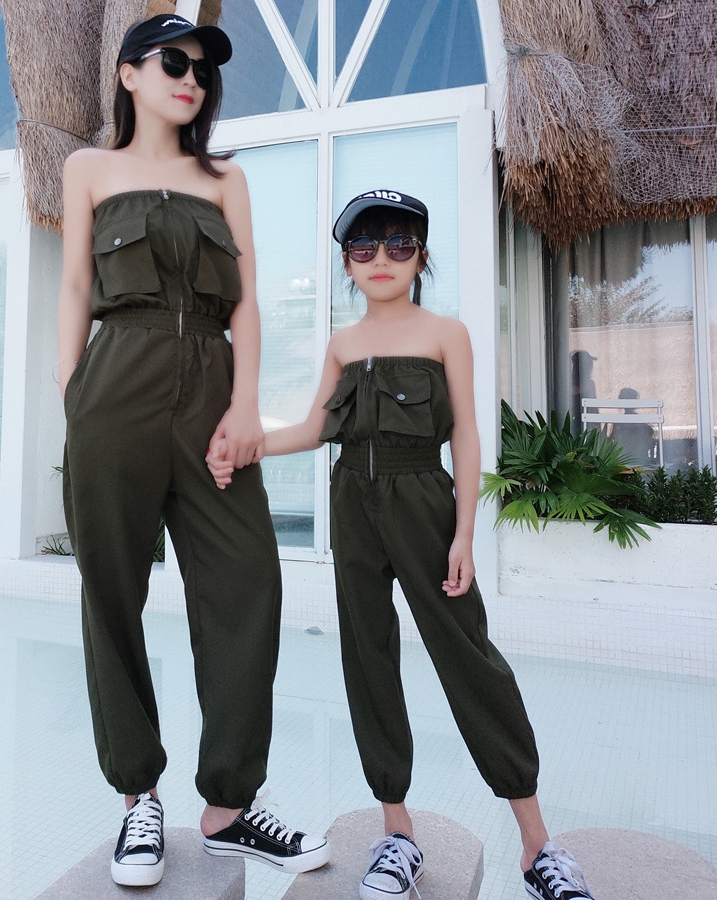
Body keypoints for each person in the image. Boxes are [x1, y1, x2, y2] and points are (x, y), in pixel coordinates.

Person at [207, 190, 596, 900]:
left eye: (397, 245)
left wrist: (466, 533)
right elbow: (315, 428)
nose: (380, 260)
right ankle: (397, 832)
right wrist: (246, 443)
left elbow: (469, 435)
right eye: (363, 249)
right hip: (352, 503)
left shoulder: (447, 334)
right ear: (347, 264)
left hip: (424, 501)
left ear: (421, 256)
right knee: (369, 661)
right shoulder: (341, 344)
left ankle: (537, 846)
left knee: (471, 659)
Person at [57, 14, 330, 888]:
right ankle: (140, 800)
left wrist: (247, 407)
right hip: (116, 392)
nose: (193, 78)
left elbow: (246, 303)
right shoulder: (87, 169)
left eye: (204, 68)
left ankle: (228, 807)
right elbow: (72, 285)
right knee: (111, 593)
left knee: (248, 582)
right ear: (130, 74)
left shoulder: (226, 180)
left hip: (212, 397)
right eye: (174, 62)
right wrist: (73, 396)